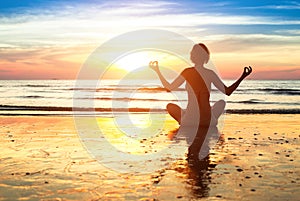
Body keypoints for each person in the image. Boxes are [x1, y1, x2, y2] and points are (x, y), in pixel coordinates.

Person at [149, 43, 252, 128]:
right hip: (208, 122)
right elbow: (228, 91)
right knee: (221, 103)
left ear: (192, 56)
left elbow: (169, 88)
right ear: (206, 57)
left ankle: (183, 119)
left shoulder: (187, 72)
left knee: (170, 106)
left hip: (189, 122)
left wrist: (157, 71)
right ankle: (210, 117)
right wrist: (243, 76)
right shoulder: (210, 73)